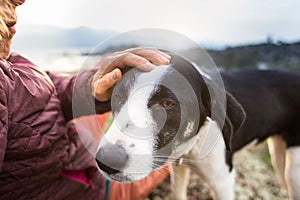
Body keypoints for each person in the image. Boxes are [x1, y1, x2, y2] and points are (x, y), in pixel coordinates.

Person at [0, 0, 171, 199]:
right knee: (163, 165)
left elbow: (50, 90)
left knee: (108, 62)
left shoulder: (12, 60)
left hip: (80, 154)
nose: (20, 1)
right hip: (93, 185)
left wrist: (92, 87)